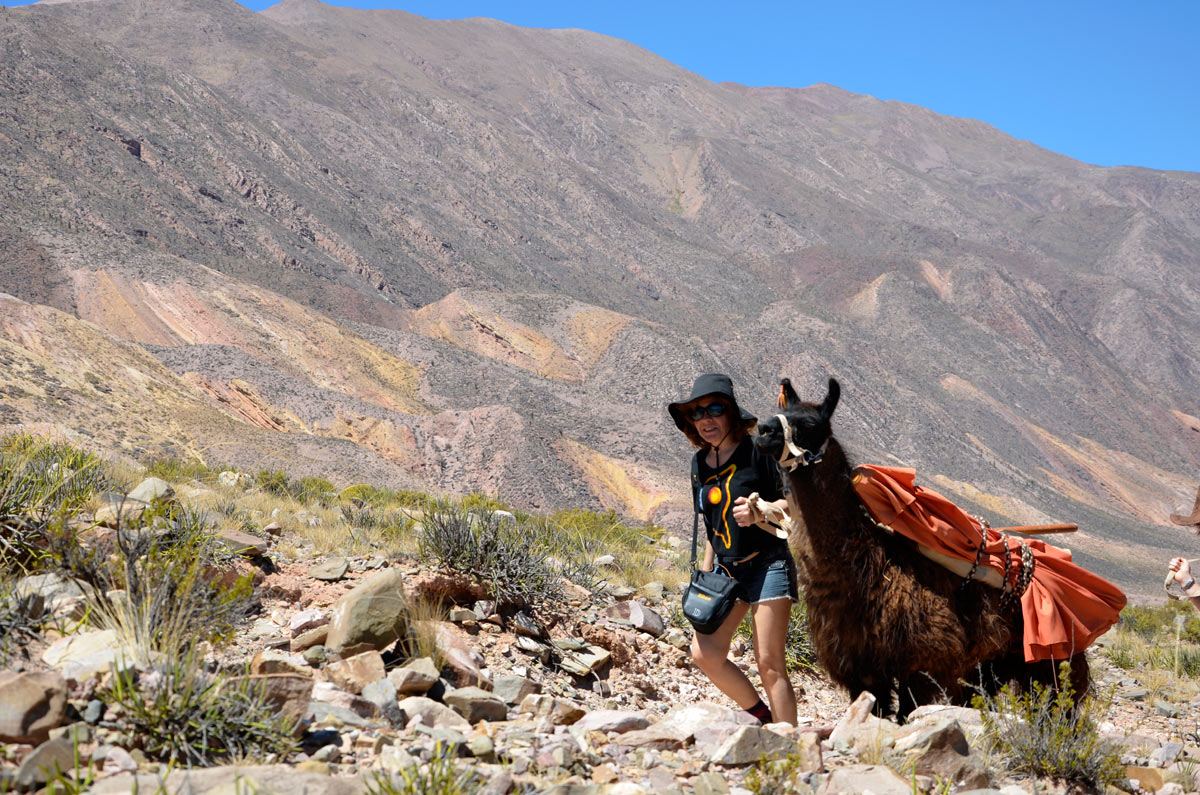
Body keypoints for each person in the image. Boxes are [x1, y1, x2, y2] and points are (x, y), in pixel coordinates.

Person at [668, 373, 798, 725]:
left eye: (714, 409)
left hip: (768, 565)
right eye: (697, 413)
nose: (705, 419)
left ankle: (793, 748)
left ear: (731, 413)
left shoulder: (758, 451)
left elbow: (794, 503)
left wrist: (760, 511)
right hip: (727, 572)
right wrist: (708, 574)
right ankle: (763, 717)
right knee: (704, 653)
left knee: (769, 663)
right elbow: (712, 528)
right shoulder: (698, 464)